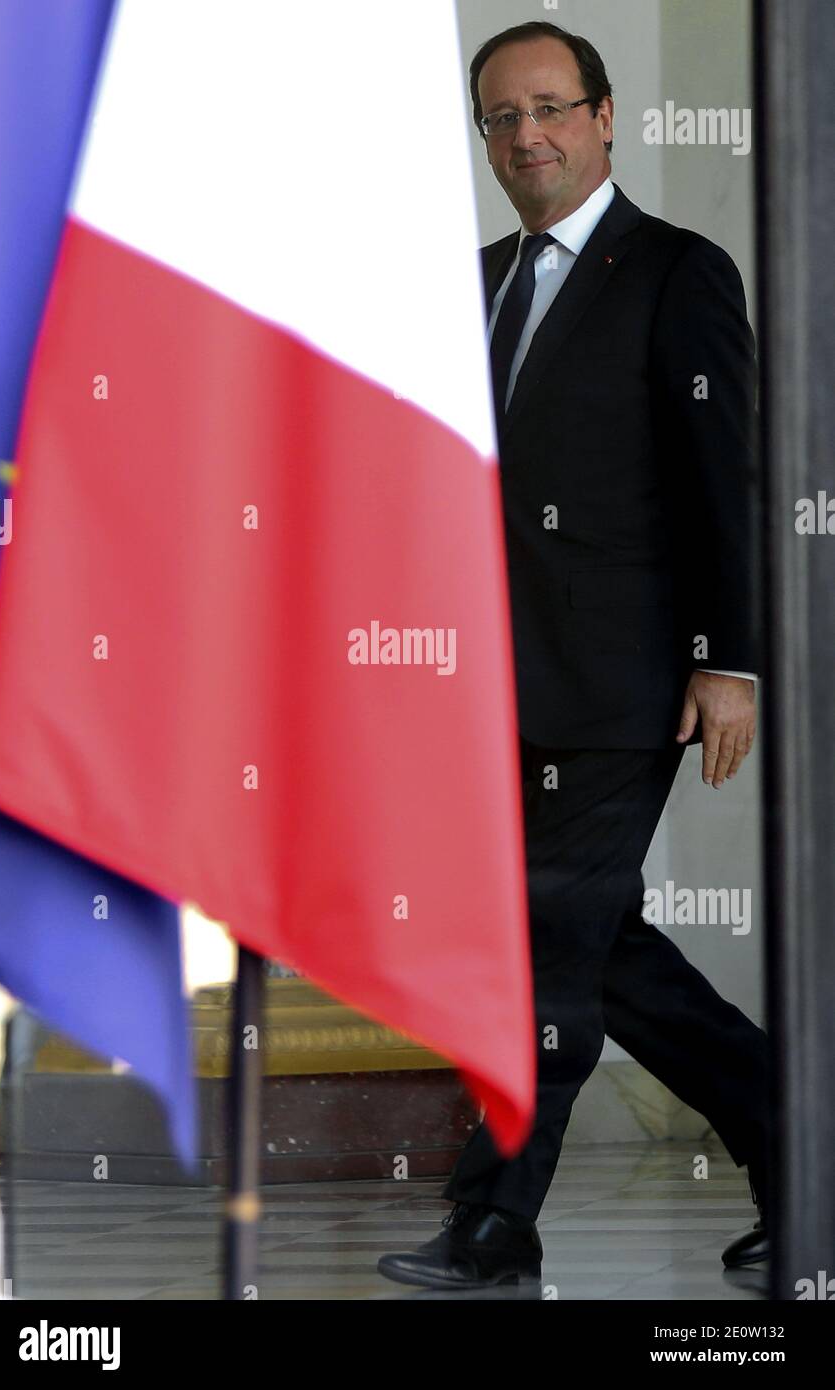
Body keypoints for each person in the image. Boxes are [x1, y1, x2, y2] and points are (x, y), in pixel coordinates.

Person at [378, 20, 770, 1291]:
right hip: (489, 686)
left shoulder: (676, 271)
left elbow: (725, 482)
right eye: (501, 117)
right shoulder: (476, 278)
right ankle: (801, 1144)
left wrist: (728, 660)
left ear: (605, 119)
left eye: (550, 108)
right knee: (596, 943)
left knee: (540, 932)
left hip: (623, 685)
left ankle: (496, 1219)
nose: (527, 136)